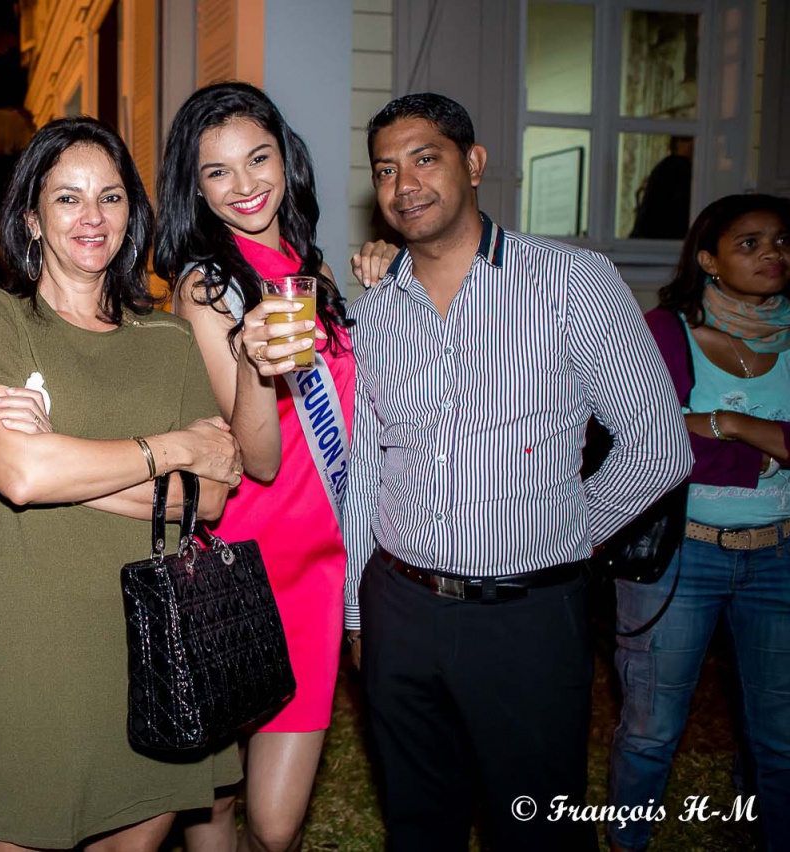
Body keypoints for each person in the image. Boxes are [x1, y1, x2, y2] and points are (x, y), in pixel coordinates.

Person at [342, 92, 693, 851]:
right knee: (417, 824)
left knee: (535, 828)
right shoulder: (370, 314)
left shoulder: (573, 281)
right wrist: (356, 614)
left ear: (473, 163)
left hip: (526, 615)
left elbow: (659, 447)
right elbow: (367, 469)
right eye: (385, 169)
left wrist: (563, 534)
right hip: (398, 607)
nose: (404, 184)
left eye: (425, 158)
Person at [0, 116, 244, 850]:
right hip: (40, 648)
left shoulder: (168, 339)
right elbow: (20, 474)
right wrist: (172, 448)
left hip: (155, 647)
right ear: (31, 218)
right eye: (67, 197)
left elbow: (210, 497)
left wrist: (62, 458)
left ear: (130, 213)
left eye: (110, 197)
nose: (92, 217)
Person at [152, 81, 393, 852]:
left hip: (320, 564)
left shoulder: (310, 270)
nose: (244, 184)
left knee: (277, 823)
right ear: (195, 187)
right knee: (216, 802)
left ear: (285, 160)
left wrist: (392, 283)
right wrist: (258, 362)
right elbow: (257, 459)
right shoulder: (206, 287)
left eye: (257, 158)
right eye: (217, 171)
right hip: (245, 564)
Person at [608, 193, 790, 852]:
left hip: (778, 556)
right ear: (709, 260)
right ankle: (627, 842)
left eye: (781, 241)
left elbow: (684, 433)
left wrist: (722, 422)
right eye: (750, 243)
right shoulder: (665, 332)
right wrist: (754, 445)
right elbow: (641, 435)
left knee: (779, 735)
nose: (772, 254)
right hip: (681, 556)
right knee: (650, 729)